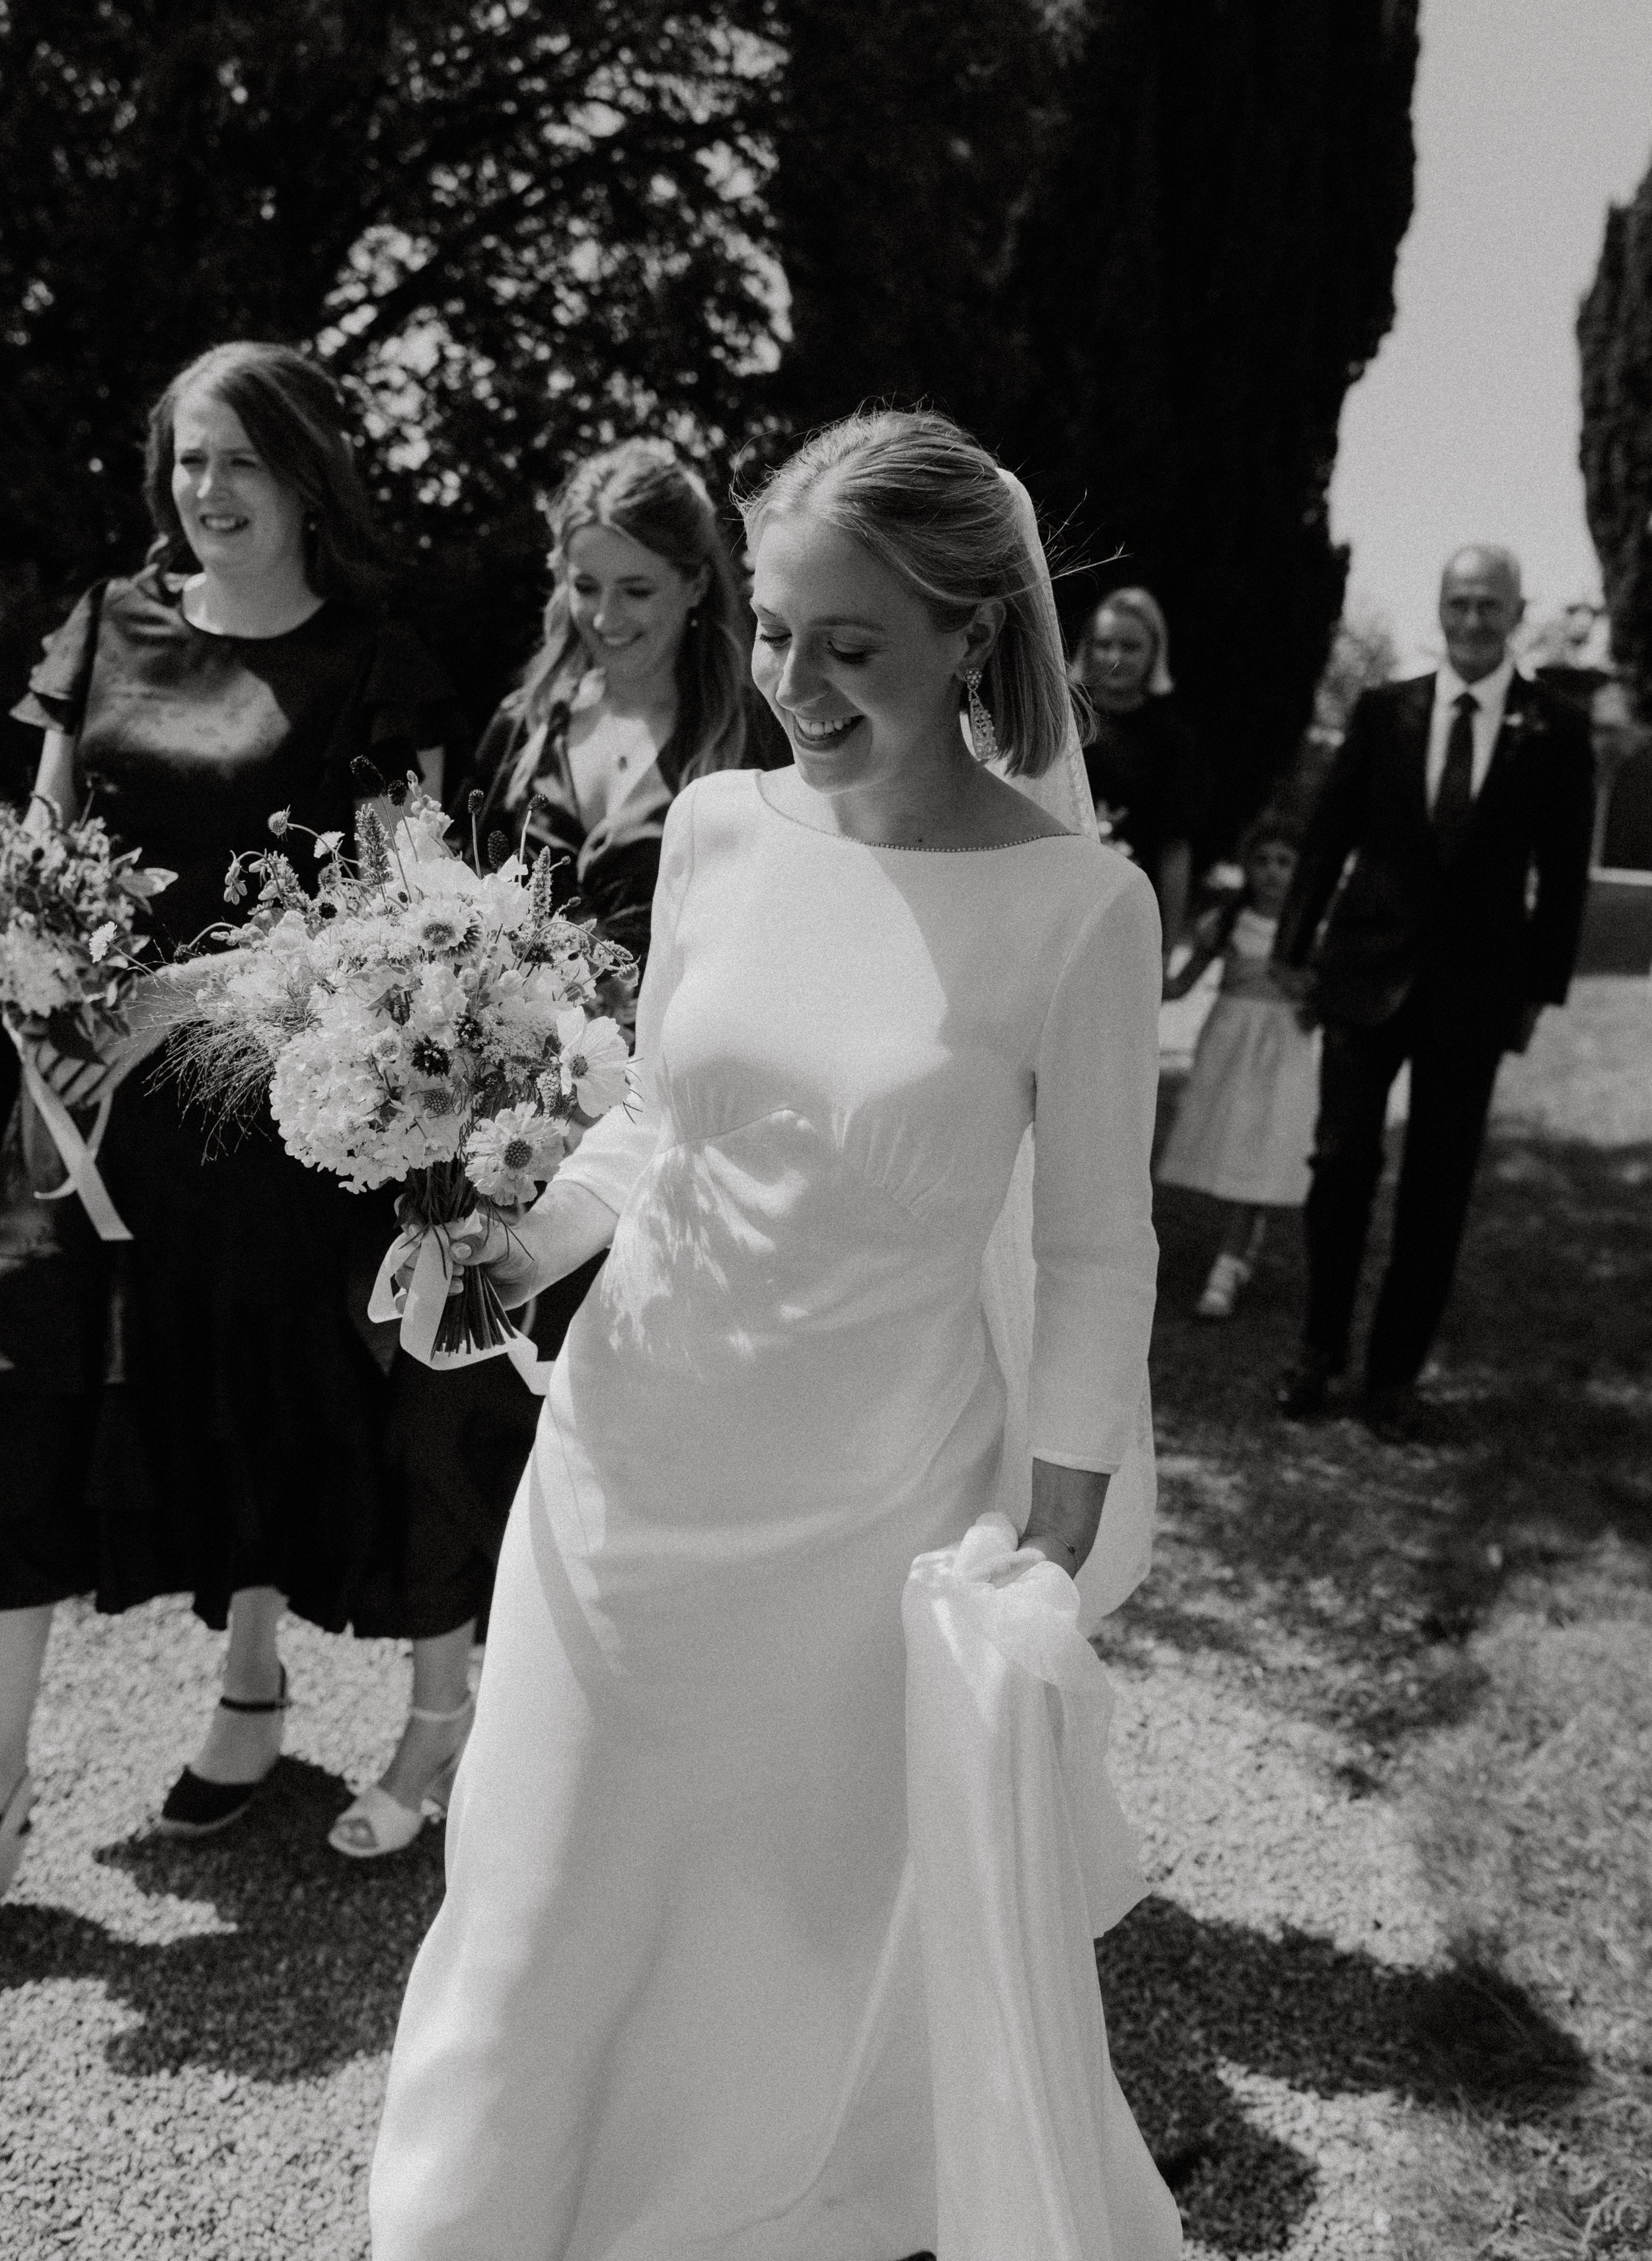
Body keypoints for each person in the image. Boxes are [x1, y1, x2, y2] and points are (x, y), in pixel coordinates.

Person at [367, 410, 1178, 2259]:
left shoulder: (1078, 909)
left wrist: (1050, 1530)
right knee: (536, 1892)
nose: (796, 683)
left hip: (857, 1521)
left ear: (973, 635)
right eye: (781, 632)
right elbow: (651, 1127)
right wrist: (516, 1248)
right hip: (620, 1466)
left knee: (772, 1941)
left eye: (851, 643)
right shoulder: (722, 829)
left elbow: (1095, 1248)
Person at [0, 341, 456, 1890]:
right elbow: (42, 842)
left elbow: (368, 913)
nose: (207, 489)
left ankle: (250, 1680)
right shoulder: (110, 623)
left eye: (241, 460)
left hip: (250, 1098)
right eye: (188, 457)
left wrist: (159, 1013)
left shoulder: (369, 659)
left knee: (249, 1375)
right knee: (61, 1392)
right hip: (71, 1095)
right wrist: (47, 1000)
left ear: (308, 474)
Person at [330, 439, 767, 1859]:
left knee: (600, 1449)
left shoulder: (747, 739)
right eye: (580, 583)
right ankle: (436, 1715)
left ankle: (582, 1754)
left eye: (635, 587)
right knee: (438, 1410)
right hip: (496, 1132)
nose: (603, 613)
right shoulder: (529, 717)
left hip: (661, 1146)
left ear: (700, 587)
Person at [1273, 544, 1594, 1430]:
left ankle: (1391, 1378)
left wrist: (1540, 990)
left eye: (1491, 605)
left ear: (1518, 613)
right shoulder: (1386, 712)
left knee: (1437, 1188)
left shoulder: (1554, 731)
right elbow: (1329, 831)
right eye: (1459, 603)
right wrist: (1295, 941)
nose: (1473, 621)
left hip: (1476, 991)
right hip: (1365, 971)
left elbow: (1564, 874)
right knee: (1340, 1165)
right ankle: (1318, 1352)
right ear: (1441, 609)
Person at [1158, 811, 1318, 1317]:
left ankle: (1228, 1265)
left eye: (1285, 862)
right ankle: (1239, 1247)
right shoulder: (1226, 923)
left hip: (1282, 1048)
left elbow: (1322, 1004)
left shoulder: (1312, 930)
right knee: (1228, 1141)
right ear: (1247, 867)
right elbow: (1178, 987)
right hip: (1229, 1044)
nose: (1272, 872)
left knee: (1262, 1147)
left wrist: (1301, 989)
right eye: (1262, 861)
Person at [1070, 585, 1209, 962]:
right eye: (1103, 644)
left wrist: (1164, 949)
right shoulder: (1056, 717)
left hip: (1121, 915)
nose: (1114, 658)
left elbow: (1174, 849)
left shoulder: (1172, 740)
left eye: (1131, 647)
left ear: (1154, 653)